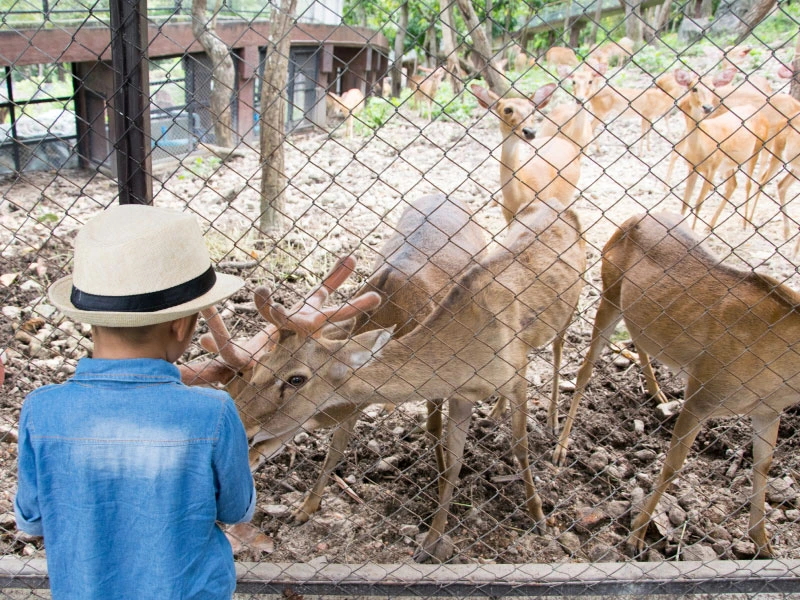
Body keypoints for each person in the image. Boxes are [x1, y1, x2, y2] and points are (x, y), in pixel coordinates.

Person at [14, 204, 256, 600]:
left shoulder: (41, 411)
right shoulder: (212, 413)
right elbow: (235, 509)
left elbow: (33, 517)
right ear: (182, 324)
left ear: (88, 317)